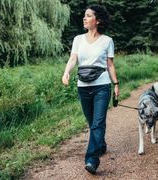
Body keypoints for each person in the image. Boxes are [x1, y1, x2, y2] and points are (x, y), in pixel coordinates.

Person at [61, 4, 119, 174]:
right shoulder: (78, 39)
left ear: (98, 20)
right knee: (92, 122)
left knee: (98, 123)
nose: (84, 18)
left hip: (102, 86)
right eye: (84, 16)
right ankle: (100, 144)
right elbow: (73, 58)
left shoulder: (107, 41)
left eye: (88, 16)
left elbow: (110, 65)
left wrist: (116, 84)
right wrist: (66, 72)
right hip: (83, 87)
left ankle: (92, 160)